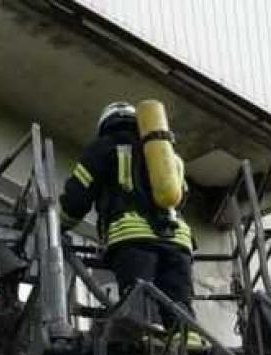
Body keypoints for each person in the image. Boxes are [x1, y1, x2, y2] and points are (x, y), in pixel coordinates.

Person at [59, 101, 198, 342]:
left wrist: (59, 224)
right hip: (177, 239)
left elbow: (77, 195)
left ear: (106, 125)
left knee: (139, 294)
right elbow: (181, 196)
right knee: (178, 297)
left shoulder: (103, 148)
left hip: (132, 237)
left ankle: (147, 336)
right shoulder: (168, 155)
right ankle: (188, 339)